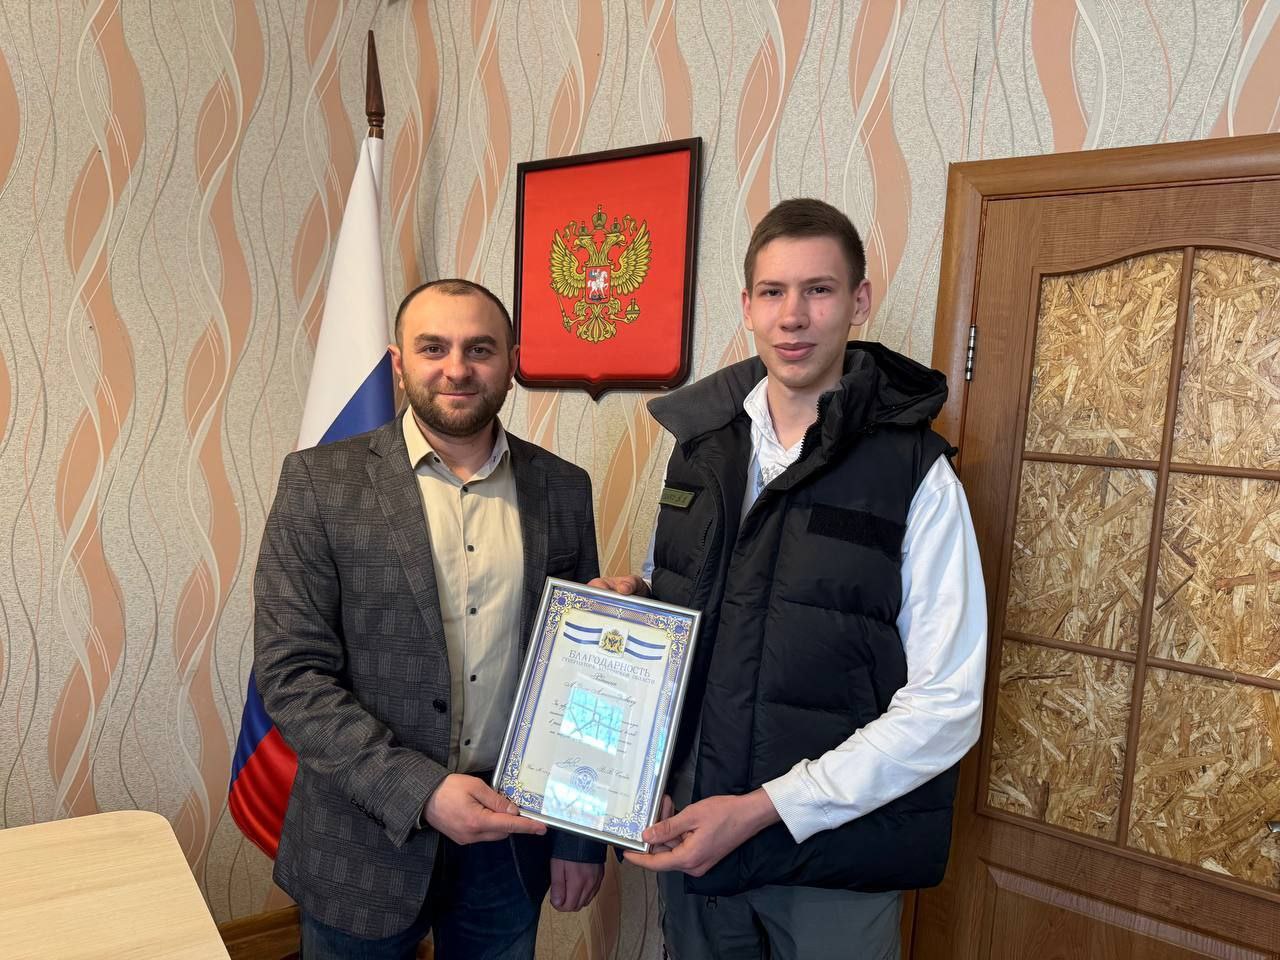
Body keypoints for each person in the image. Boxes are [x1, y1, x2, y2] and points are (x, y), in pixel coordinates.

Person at [591, 199, 987, 960]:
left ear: (859, 301)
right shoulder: (699, 448)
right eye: (773, 292)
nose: (794, 316)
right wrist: (636, 604)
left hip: (831, 860)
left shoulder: (916, 474)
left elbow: (947, 705)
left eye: (819, 290)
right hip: (694, 838)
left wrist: (766, 808)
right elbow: (684, 589)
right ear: (748, 306)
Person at [254, 278, 605, 960]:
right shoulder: (319, 482)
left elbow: (580, 674)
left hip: (511, 839)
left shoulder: (564, 487)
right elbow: (292, 675)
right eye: (433, 347)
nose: (457, 368)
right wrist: (422, 792)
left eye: (480, 348)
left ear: (512, 362)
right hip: (361, 840)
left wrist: (581, 836)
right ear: (398, 363)